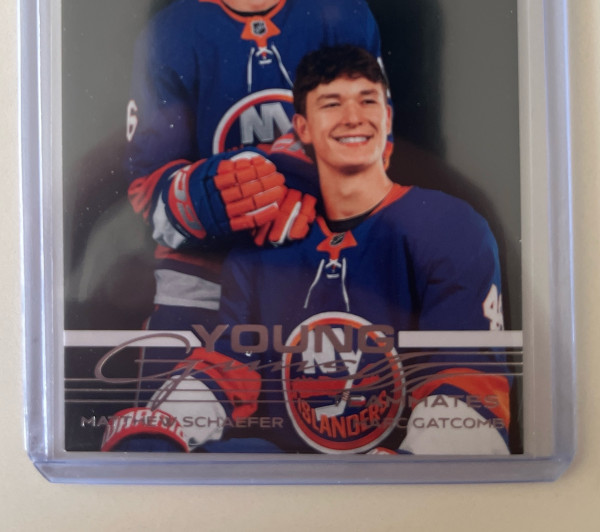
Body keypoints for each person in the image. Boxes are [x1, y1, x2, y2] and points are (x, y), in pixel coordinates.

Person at [104, 46, 511, 456]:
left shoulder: (449, 226)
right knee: (158, 449)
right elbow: (229, 366)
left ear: (388, 117)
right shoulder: (262, 247)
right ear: (302, 127)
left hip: (398, 472)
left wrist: (400, 480)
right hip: (289, 473)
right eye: (331, 104)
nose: (353, 117)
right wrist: (169, 422)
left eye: (367, 101)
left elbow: (465, 380)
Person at [125, 0, 386, 333]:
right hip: (203, 276)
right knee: (176, 380)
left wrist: (284, 173)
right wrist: (199, 201)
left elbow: (378, 140)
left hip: (325, 255)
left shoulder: (341, 12)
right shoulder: (170, 33)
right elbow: (146, 187)